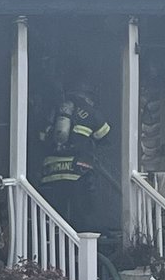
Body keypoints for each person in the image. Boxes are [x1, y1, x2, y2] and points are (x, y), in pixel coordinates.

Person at [37, 79, 110, 232]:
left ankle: (55, 241)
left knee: (54, 215)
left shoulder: (55, 110)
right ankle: (81, 243)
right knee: (81, 213)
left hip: (51, 172)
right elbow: (105, 137)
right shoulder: (90, 112)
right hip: (78, 171)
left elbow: (42, 138)